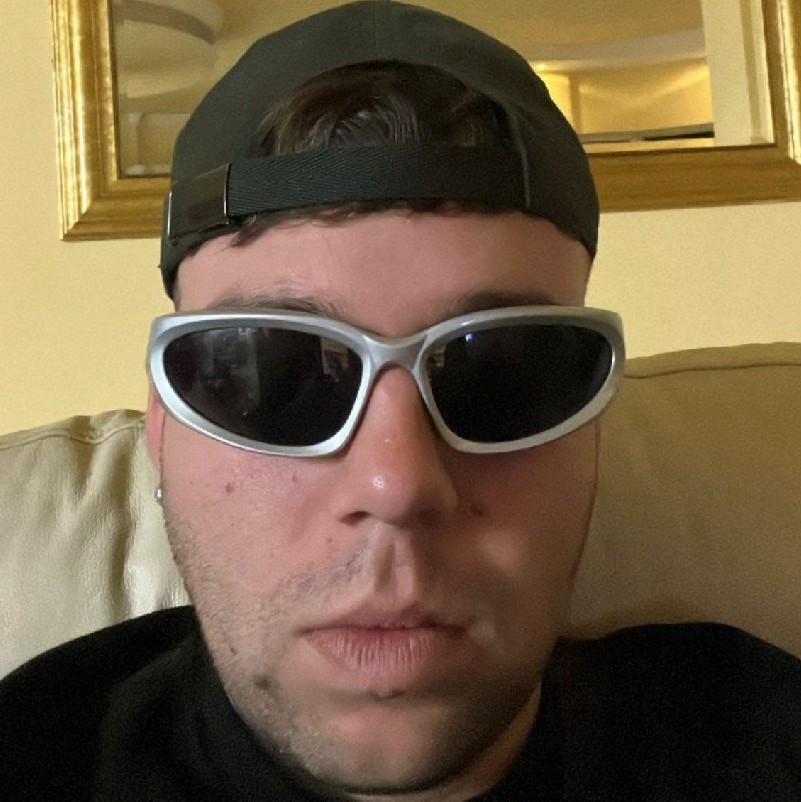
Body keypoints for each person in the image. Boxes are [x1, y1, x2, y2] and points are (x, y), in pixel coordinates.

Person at [2, 2, 800, 799]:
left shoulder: (754, 739)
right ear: (164, 429)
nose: (397, 486)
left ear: (591, 429)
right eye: (276, 374)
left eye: (500, 373)